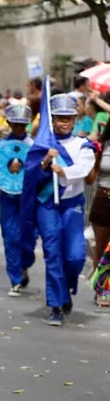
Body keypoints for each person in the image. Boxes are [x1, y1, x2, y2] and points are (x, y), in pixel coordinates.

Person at [21, 90, 96, 326]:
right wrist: (45, 161)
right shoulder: (42, 144)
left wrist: (63, 171)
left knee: (75, 256)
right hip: (47, 205)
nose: (64, 122)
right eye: (59, 118)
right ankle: (56, 304)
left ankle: (66, 289)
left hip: (72, 204)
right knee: (52, 253)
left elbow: (84, 169)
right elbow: (30, 176)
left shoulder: (82, 144)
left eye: (68, 118)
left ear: (75, 119)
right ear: (52, 119)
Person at [0, 105, 35, 296]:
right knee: (11, 237)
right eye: (16, 124)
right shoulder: (1, 146)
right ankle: (15, 279)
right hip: (8, 199)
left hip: (29, 198)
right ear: (9, 123)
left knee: (28, 237)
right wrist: (8, 167)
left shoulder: (34, 145)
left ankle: (24, 265)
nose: (19, 128)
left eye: (22, 125)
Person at [87, 118, 110, 306]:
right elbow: (91, 178)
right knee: (101, 249)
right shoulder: (102, 146)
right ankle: (101, 290)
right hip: (103, 199)